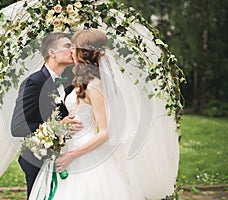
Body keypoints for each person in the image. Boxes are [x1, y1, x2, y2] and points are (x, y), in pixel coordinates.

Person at [29, 28, 179, 200]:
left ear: (83, 53)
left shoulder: (94, 86)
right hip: (69, 146)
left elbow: (105, 132)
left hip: (86, 153)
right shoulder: (80, 81)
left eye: (74, 47)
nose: (71, 51)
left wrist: (72, 156)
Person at [11, 32, 83, 199]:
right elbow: (18, 126)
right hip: (37, 159)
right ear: (52, 53)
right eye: (67, 46)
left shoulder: (69, 80)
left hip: (62, 156)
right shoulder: (34, 82)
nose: (72, 50)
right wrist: (57, 127)